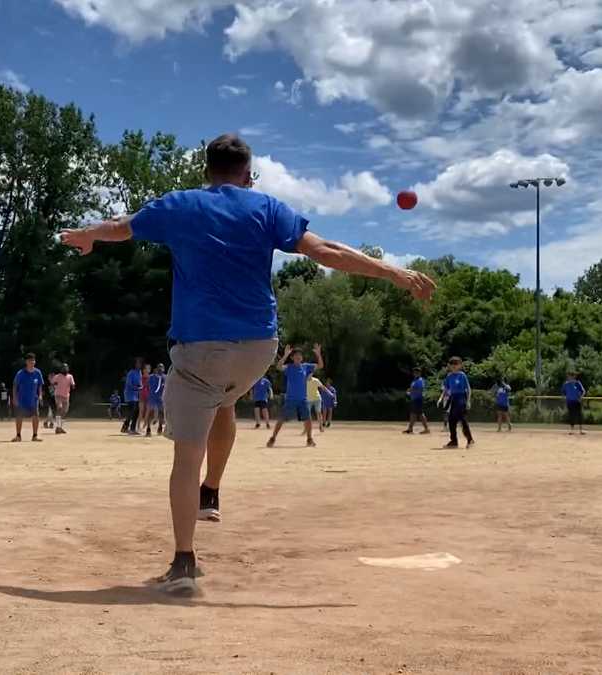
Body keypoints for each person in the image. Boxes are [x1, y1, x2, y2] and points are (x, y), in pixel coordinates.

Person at [58, 132, 434, 595]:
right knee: (224, 400)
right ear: (246, 175)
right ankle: (211, 492)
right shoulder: (267, 208)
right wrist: (393, 272)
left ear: (206, 172)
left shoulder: (180, 205)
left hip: (198, 350)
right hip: (259, 347)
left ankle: (183, 562)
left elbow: (121, 225)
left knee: (185, 454)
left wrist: (86, 235)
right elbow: (327, 251)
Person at [269, 344, 324, 447]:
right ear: (292, 357)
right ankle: (273, 438)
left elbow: (320, 366)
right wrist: (285, 355)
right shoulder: (289, 367)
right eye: (296, 355)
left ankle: (309, 439)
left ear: (302, 358)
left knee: (308, 419)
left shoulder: (306, 367)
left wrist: (318, 354)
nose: (298, 357)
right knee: (281, 419)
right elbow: (279, 367)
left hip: (303, 399)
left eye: (300, 355)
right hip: (290, 399)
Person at [440, 356, 473, 449]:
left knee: (462, 419)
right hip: (453, 398)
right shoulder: (449, 376)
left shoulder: (462, 375)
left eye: (456, 364)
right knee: (451, 420)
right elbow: (446, 389)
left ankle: (470, 440)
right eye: (452, 364)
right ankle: (454, 441)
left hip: (461, 398)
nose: (454, 366)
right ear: (449, 366)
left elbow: (468, 389)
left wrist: (468, 401)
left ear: (460, 365)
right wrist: (442, 398)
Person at [11, 353, 44, 442]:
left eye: (33, 360)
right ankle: (18, 436)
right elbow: (15, 386)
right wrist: (15, 398)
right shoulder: (20, 373)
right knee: (19, 416)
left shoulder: (38, 372)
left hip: (33, 399)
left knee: (36, 416)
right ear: (26, 362)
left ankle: (35, 435)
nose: (31, 362)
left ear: (35, 361)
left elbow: (40, 385)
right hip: (21, 399)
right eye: (30, 361)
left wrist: (40, 395)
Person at [403, 367, 430, 434]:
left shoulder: (420, 380)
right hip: (414, 399)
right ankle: (410, 428)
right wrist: (409, 392)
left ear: (420, 373)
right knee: (413, 414)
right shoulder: (414, 381)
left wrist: (411, 391)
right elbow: (412, 389)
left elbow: (420, 389)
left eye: (417, 372)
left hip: (418, 399)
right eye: (415, 372)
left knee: (420, 414)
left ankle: (426, 429)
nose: (415, 373)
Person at [51, 364, 76, 435]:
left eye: (66, 368)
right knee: (59, 408)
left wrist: (73, 385)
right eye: (63, 368)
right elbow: (52, 382)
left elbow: (73, 384)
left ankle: (60, 427)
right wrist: (54, 386)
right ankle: (57, 427)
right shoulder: (57, 376)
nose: (65, 369)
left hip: (66, 396)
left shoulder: (70, 376)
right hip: (58, 395)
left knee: (65, 412)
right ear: (61, 369)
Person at [121, 358, 144, 435]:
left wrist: (141, 386)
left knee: (136, 411)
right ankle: (127, 427)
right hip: (129, 394)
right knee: (132, 411)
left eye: (140, 363)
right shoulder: (131, 373)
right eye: (137, 363)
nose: (139, 365)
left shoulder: (139, 372)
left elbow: (140, 382)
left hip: (136, 394)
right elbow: (129, 384)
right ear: (134, 364)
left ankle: (130, 428)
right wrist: (137, 387)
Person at [147, 363, 166, 435]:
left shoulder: (165, 377)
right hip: (153, 397)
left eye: (162, 367)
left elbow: (166, 387)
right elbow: (148, 386)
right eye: (159, 367)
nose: (160, 369)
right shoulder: (151, 377)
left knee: (161, 412)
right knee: (151, 412)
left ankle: (160, 427)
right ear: (157, 369)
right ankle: (148, 428)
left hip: (161, 397)